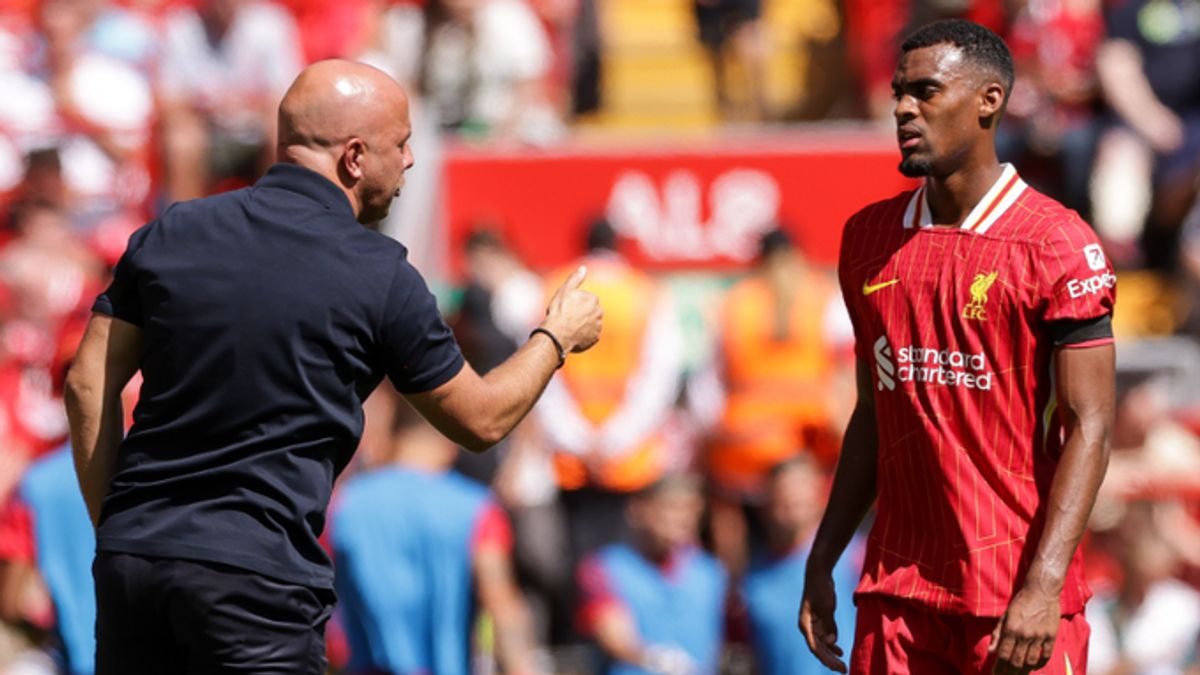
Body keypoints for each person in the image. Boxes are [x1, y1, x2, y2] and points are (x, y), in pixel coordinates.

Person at [64, 59, 602, 674]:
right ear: (354, 157)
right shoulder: (381, 275)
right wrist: (554, 338)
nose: (409, 162)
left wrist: (120, 524)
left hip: (133, 565)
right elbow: (479, 420)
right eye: (400, 145)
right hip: (255, 582)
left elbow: (86, 385)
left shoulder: (172, 230)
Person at [799, 20, 1117, 675]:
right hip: (897, 592)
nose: (901, 109)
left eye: (925, 91)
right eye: (897, 93)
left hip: (1013, 597)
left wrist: (1044, 583)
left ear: (988, 101)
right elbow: (873, 412)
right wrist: (825, 552)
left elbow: (1091, 422)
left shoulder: (1057, 242)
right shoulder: (867, 238)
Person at [330, 404, 540, 675]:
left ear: (393, 436)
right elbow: (501, 603)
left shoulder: (344, 505)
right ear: (451, 440)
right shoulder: (477, 508)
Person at [690, 227, 852, 575]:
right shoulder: (823, 296)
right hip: (807, 447)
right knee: (808, 537)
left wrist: (713, 437)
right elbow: (845, 374)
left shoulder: (735, 301)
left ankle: (737, 603)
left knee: (741, 541)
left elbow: (707, 386)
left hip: (743, 448)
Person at [536, 218, 683, 567]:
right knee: (626, 565)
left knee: (579, 566)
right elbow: (659, 380)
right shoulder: (645, 292)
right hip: (629, 458)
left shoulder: (553, 289)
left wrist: (580, 441)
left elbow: (541, 376)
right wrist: (615, 440)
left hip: (572, 459)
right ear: (619, 245)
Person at [576, 474, 727, 675]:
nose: (683, 519)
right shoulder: (604, 567)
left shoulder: (711, 572)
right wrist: (654, 659)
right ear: (638, 510)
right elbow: (613, 636)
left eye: (691, 510)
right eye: (671, 508)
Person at [741, 456, 861, 675]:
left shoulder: (856, 555)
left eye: (800, 488)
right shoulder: (752, 579)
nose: (792, 498)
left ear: (821, 495)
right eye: (784, 491)